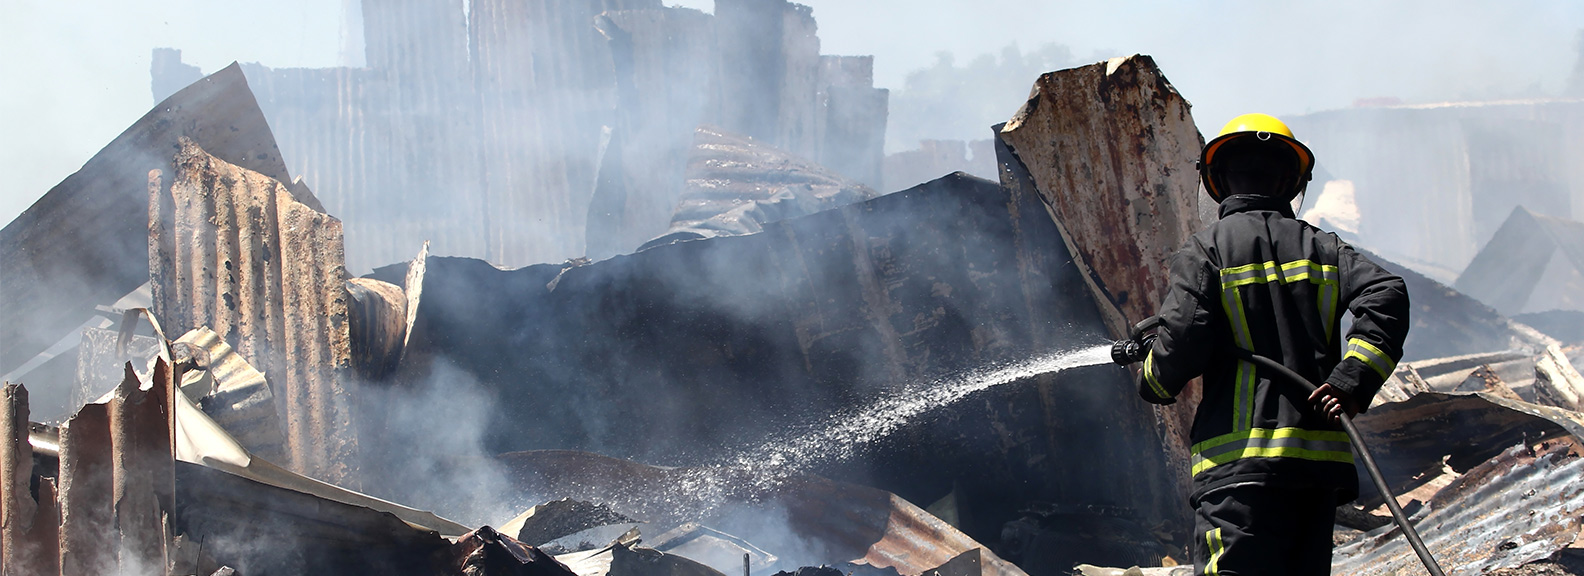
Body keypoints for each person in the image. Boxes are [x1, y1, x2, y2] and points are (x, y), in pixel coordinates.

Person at [1133, 113, 1410, 575]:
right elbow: (1387, 292)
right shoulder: (1325, 249)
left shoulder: (1208, 249)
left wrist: (1151, 379)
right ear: (1291, 180)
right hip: (1315, 474)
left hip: (1240, 473)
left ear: (1217, 180)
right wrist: (1352, 379)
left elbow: (1182, 339)